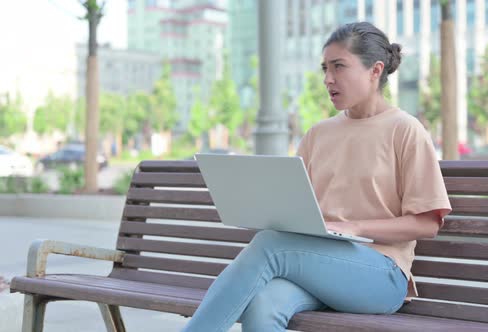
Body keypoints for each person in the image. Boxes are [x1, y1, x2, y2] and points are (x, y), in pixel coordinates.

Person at [181, 22, 451, 332]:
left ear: (375, 71)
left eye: (339, 67)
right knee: (264, 306)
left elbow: (427, 223)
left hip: (381, 274)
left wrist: (355, 227)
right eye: (325, 68)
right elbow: (298, 210)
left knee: (270, 245)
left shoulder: (405, 130)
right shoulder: (318, 134)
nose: (328, 79)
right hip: (317, 266)